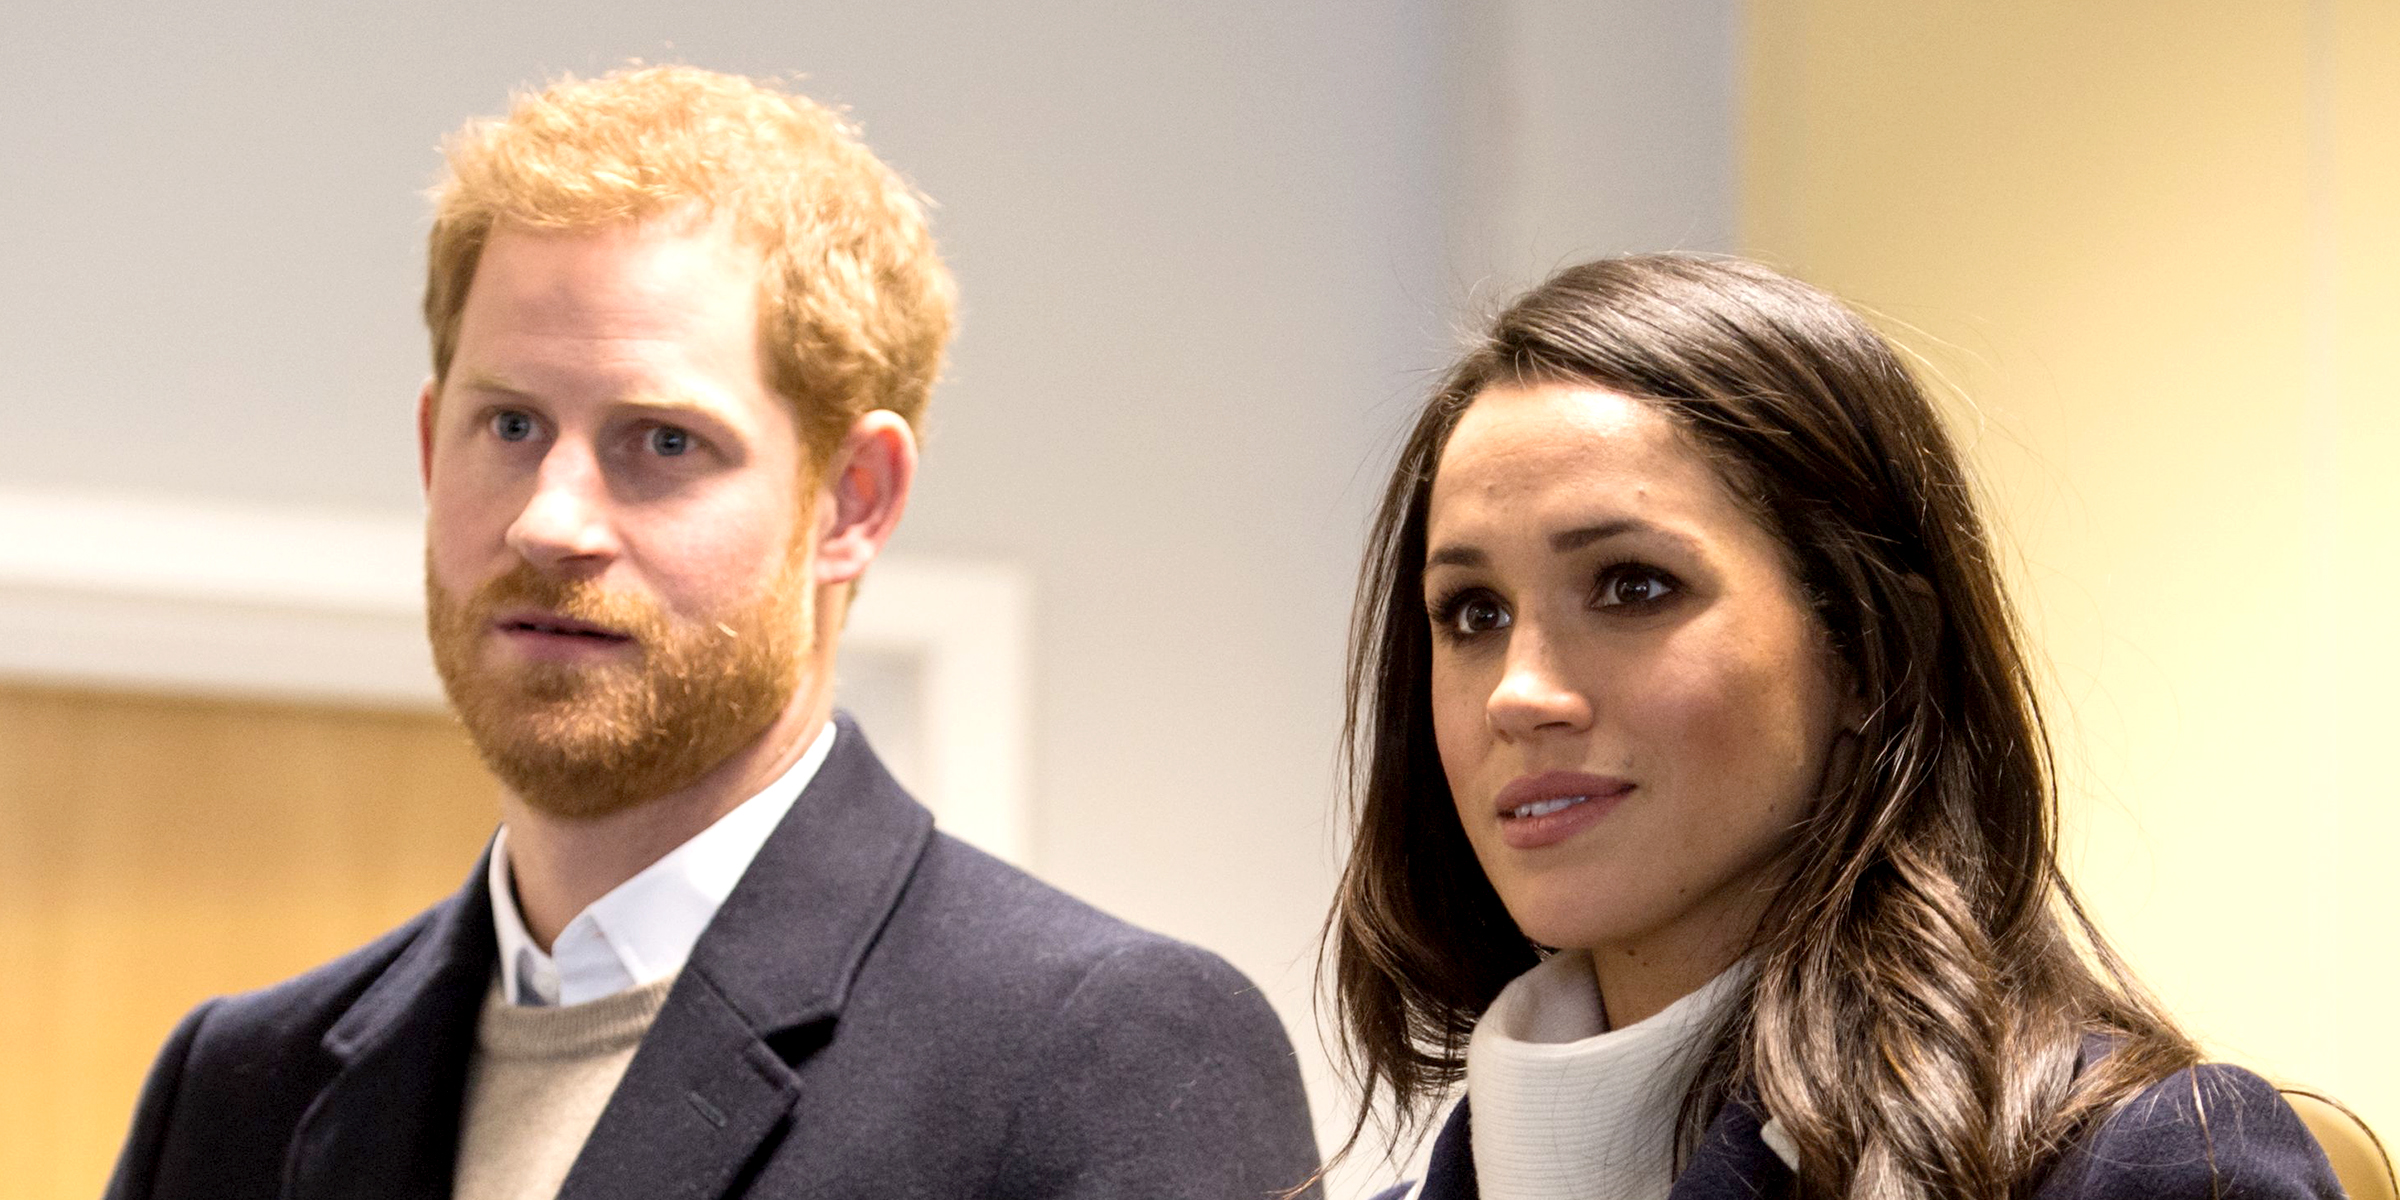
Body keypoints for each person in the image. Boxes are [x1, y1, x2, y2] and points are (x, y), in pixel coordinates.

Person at [104, 65, 1319, 1200]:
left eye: (664, 442)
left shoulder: (1101, 1059)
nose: (554, 521)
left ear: (855, 500)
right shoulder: (239, 1091)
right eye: (511, 426)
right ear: (432, 450)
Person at [1324, 255, 2347, 1200]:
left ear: (1866, 652)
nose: (1519, 691)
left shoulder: (2145, 1169)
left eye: (1633, 586)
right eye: (1473, 613)